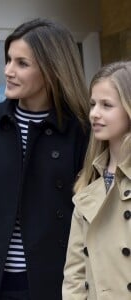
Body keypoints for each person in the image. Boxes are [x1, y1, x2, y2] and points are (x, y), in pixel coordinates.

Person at [0, 18, 90, 300]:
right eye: (8, 60)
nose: (8, 71)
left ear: (52, 71)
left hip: (59, 286)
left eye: (21, 63)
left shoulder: (81, 130)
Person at [63, 61, 131, 299]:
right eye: (92, 104)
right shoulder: (88, 184)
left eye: (107, 105)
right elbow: (75, 274)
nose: (94, 113)